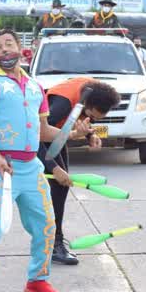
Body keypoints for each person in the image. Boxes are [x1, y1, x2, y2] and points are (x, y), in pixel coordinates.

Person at [0, 29, 93, 292]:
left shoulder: (35, 87)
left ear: (21, 48)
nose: (4, 50)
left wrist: (74, 134)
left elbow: (44, 131)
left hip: (31, 167)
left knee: (46, 224)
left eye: (9, 44)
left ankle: (37, 280)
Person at [37, 78, 120, 265]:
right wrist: (54, 168)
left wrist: (91, 134)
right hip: (36, 137)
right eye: (91, 115)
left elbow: (82, 116)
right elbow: (36, 133)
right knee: (58, 185)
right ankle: (53, 244)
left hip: (55, 134)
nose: (92, 120)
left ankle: (53, 240)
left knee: (62, 187)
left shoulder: (93, 91)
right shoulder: (63, 103)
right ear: (86, 104)